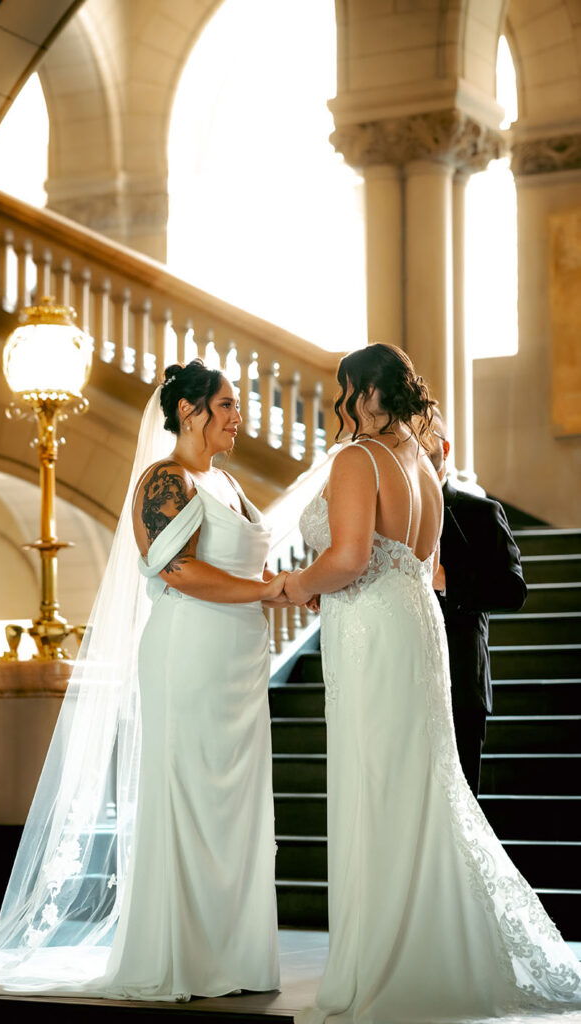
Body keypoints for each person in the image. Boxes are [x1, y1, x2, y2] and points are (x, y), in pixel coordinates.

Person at [0, 359, 286, 1000]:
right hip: (189, 655)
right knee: (189, 798)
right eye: (226, 405)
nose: (238, 416)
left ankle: (233, 955)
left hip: (239, 662)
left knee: (238, 808)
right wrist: (267, 590)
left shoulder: (224, 481)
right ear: (191, 413)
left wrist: (279, 590)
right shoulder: (164, 481)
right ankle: (181, 954)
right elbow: (177, 572)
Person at [284, 344, 581, 1024]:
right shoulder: (419, 463)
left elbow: (352, 557)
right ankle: (436, 942)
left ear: (362, 393)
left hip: (374, 630)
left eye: (345, 392)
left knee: (379, 783)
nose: (342, 406)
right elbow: (412, 560)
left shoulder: (360, 459)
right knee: (420, 784)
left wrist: (295, 584)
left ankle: (387, 957)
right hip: (415, 625)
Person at [430, 412, 527, 796]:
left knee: (460, 806)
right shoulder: (387, 517)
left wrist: (447, 581)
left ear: (445, 447)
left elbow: (512, 589)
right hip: (402, 684)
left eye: (425, 436)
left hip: (461, 684)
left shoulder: (482, 513)